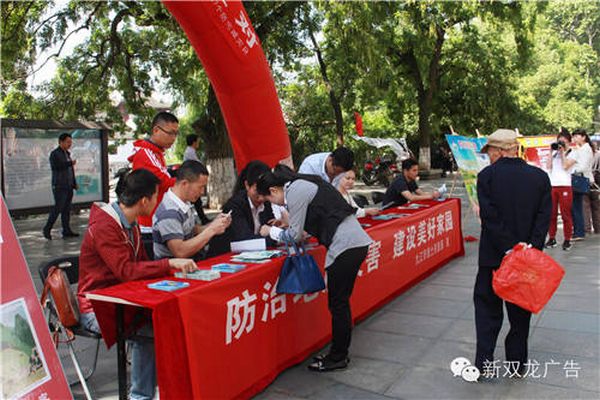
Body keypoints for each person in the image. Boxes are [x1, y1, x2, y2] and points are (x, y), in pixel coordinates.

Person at [77, 168, 197, 400]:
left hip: (123, 299)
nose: (157, 202)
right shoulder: (105, 225)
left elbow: (141, 263)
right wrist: (169, 263)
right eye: (156, 196)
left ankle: (162, 388)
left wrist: (171, 274)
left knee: (170, 318)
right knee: (147, 328)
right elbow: (127, 271)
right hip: (97, 307)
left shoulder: (130, 224)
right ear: (144, 201)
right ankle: (140, 396)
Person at [257, 165, 372, 372]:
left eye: (269, 200)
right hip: (354, 243)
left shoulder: (295, 191)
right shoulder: (304, 182)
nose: (274, 204)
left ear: (273, 190)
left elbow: (294, 235)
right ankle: (339, 353)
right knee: (341, 303)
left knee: (338, 305)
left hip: (345, 247)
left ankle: (338, 357)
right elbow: (313, 221)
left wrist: (270, 231)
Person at [475, 129, 551, 379]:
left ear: (498, 151)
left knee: (487, 311)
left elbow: (490, 217)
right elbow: (544, 217)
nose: (489, 157)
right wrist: (529, 247)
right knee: (520, 315)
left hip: (492, 257)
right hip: (526, 259)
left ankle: (484, 365)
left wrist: (508, 247)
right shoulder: (539, 177)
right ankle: (517, 365)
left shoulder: (486, 176)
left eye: (489, 152)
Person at [152, 160, 231, 260]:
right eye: (200, 187)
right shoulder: (169, 212)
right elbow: (180, 251)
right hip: (175, 268)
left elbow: (193, 230)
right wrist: (212, 230)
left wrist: (215, 223)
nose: (202, 192)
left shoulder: (185, 203)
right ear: (185, 184)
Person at [128, 112, 179, 254]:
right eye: (170, 133)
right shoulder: (146, 154)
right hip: (149, 224)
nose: (174, 138)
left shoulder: (156, 153)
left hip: (155, 220)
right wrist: (187, 180)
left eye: (176, 134)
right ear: (156, 130)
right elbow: (166, 182)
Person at [208, 160, 282, 256]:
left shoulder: (266, 202)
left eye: (264, 191)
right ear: (247, 185)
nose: (261, 197)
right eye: (257, 190)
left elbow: (270, 227)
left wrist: (276, 229)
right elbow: (246, 241)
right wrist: (276, 235)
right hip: (224, 257)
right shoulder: (235, 205)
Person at [43, 133, 79, 240]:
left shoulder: (67, 154)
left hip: (68, 186)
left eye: (70, 142)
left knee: (66, 209)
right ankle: (47, 229)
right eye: (68, 142)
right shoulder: (55, 154)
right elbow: (56, 167)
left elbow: (71, 171)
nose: (69, 144)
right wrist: (69, 163)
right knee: (58, 208)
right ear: (60, 142)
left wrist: (74, 183)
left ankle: (66, 230)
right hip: (59, 186)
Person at [545, 130, 575, 251]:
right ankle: (552, 238)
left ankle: (567, 239)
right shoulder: (554, 153)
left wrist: (562, 153)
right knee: (551, 214)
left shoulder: (573, 153)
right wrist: (550, 151)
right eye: (559, 141)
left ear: (569, 142)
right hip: (553, 186)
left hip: (565, 186)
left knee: (565, 214)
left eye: (564, 141)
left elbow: (565, 166)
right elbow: (548, 166)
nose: (561, 143)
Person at [570, 129, 594, 241]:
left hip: (579, 179)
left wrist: (571, 169)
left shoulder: (585, 149)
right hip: (579, 178)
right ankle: (578, 231)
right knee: (577, 206)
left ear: (583, 137)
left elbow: (583, 166)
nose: (574, 139)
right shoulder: (581, 148)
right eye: (574, 137)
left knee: (577, 206)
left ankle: (579, 231)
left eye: (577, 136)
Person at [183, 134, 210, 225]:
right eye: (197, 141)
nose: (198, 143)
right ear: (194, 142)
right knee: (195, 201)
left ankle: (202, 219)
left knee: (197, 201)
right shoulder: (190, 152)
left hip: (192, 178)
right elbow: (197, 164)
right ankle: (201, 219)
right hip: (192, 178)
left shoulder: (191, 151)